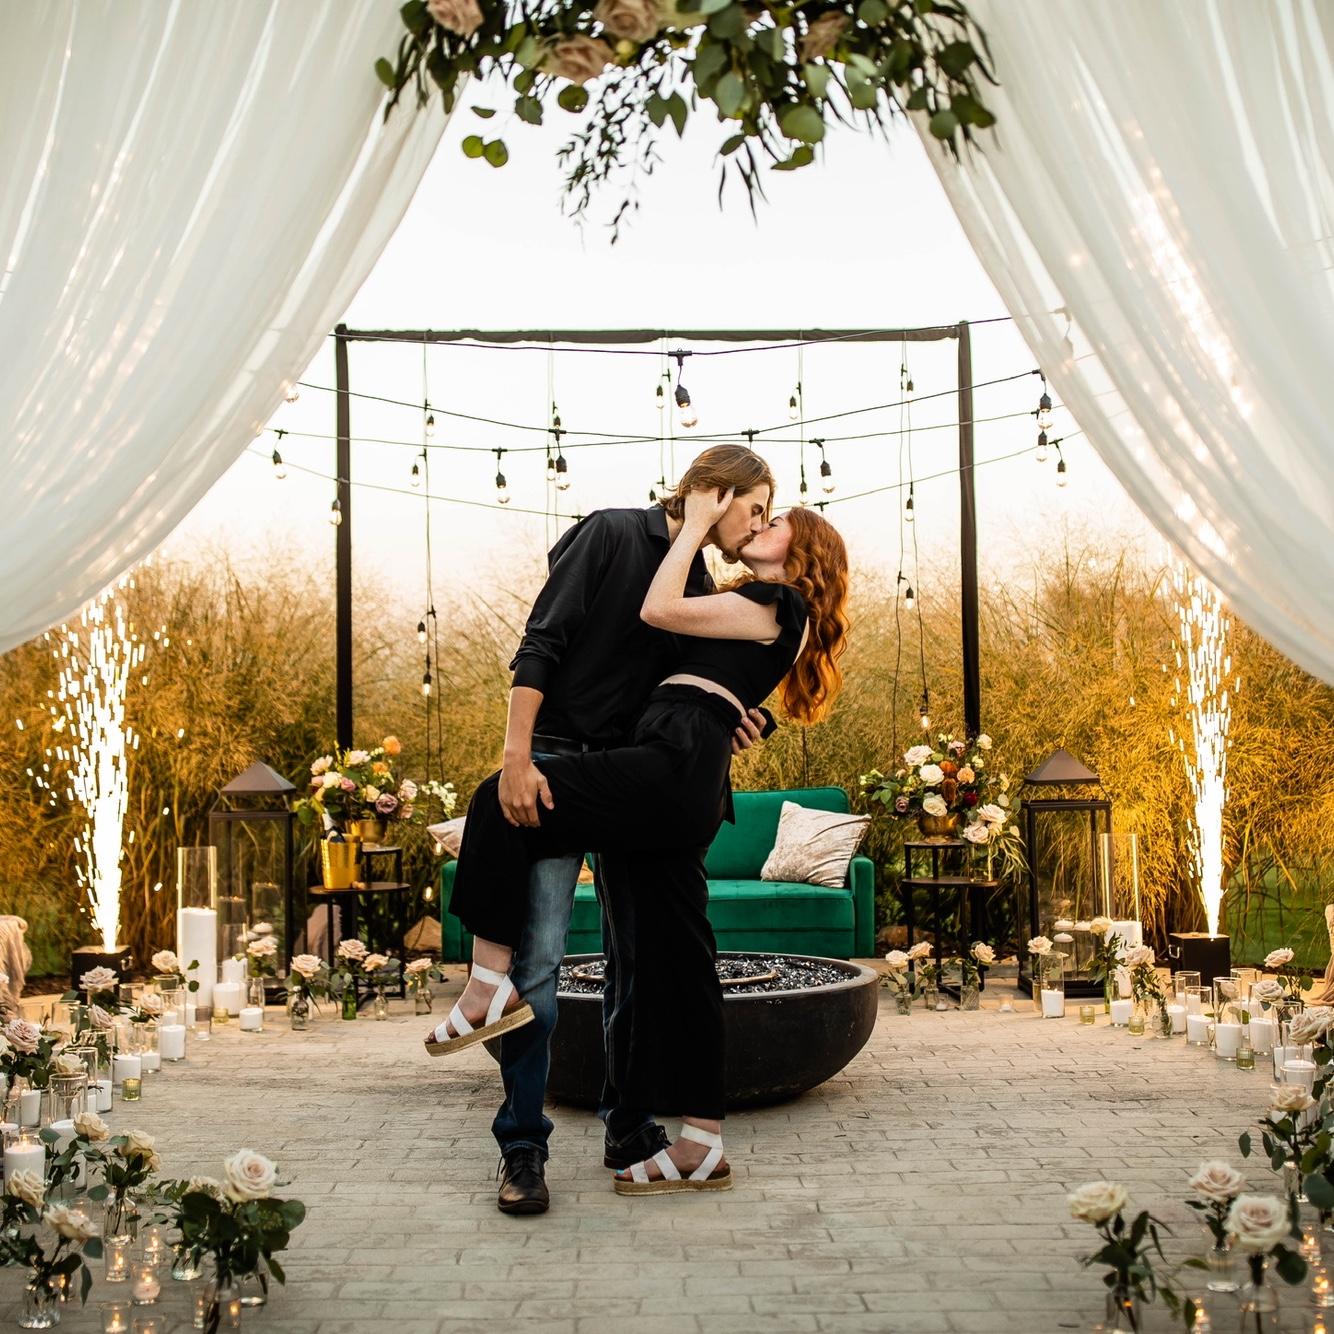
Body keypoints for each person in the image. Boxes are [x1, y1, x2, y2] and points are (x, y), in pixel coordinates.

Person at [435, 491, 851, 1198]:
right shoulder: (728, 591)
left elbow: (659, 612)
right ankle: (700, 1141)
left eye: (773, 519)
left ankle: (486, 985)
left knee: (498, 800)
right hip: (676, 772)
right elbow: (697, 666)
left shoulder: (774, 599)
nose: (760, 523)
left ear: (803, 550)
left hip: (668, 766)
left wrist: (695, 526)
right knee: (682, 960)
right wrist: (737, 712)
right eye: (757, 510)